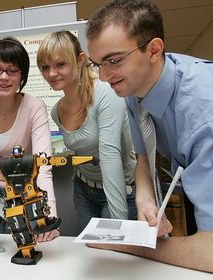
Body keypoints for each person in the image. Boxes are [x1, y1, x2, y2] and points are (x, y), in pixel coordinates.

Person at [85, 0, 213, 273]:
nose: (104, 76)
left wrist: (124, 242)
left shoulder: (204, 112)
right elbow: (143, 156)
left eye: (114, 60)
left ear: (154, 50)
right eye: (98, 64)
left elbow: (210, 253)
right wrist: (145, 198)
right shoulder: (134, 88)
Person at [37, 31, 137, 232]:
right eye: (45, 67)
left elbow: (110, 156)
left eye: (60, 64)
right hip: (84, 189)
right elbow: (82, 151)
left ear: (81, 60)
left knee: (116, 255)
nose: (51, 74)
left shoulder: (106, 94)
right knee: (91, 251)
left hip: (121, 189)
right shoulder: (57, 110)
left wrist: (119, 226)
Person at [0, 37, 59, 242]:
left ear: (22, 74)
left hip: (26, 192)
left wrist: (48, 214)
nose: (4, 77)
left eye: (12, 70)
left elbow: (43, 165)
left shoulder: (35, 107)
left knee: (28, 247)